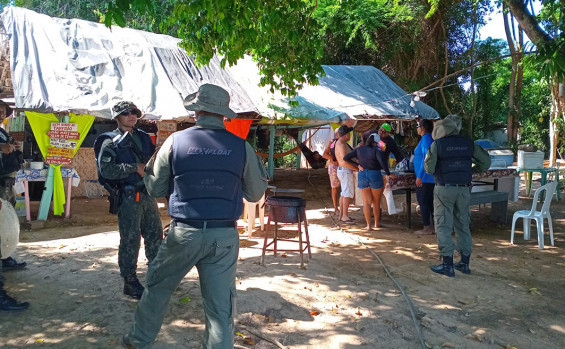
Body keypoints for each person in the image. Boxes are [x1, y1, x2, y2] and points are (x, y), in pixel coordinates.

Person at [122, 84, 267, 349]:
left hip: (183, 233)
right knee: (220, 308)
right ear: (223, 114)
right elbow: (256, 193)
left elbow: (154, 188)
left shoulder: (175, 142)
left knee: (157, 289)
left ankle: (137, 342)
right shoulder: (241, 146)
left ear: (196, 111)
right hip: (223, 236)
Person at [95, 101, 163, 299]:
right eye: (126, 113)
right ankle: (130, 281)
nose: (131, 116)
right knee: (131, 240)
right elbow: (105, 171)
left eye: (134, 112)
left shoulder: (142, 137)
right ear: (117, 117)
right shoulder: (108, 140)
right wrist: (134, 167)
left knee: (155, 236)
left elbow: (152, 162)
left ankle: (156, 276)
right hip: (128, 196)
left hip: (147, 193)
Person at [424, 116, 490, 277]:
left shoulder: (437, 144)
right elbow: (486, 163)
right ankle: (464, 263)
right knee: (462, 224)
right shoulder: (468, 144)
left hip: (444, 189)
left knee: (443, 225)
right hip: (463, 189)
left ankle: (447, 265)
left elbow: (429, 168)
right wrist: (470, 172)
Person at [0, 102, 29, 312]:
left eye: (3, 112)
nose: (1, 114)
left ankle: (5, 258)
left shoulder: (2, 133)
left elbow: (17, 158)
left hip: (6, 186)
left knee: (4, 232)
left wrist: (11, 152)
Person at [344, 131, 393, 231]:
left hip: (362, 175)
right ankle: (376, 224)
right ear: (376, 141)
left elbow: (346, 158)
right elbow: (382, 162)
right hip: (375, 174)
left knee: (366, 202)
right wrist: (388, 173)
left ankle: (368, 226)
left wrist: (357, 165)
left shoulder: (360, 149)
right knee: (376, 202)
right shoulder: (377, 150)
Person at [414, 119, 435, 235]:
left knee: (423, 201)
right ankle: (433, 226)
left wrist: (420, 176)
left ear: (422, 128)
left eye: (418, 126)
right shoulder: (427, 139)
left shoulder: (426, 139)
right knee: (429, 201)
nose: (417, 128)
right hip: (428, 177)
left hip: (425, 177)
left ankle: (427, 226)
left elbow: (426, 159)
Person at [334, 125, 358, 224]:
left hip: (343, 170)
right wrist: (356, 168)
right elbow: (345, 161)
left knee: (344, 193)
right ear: (346, 134)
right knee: (347, 193)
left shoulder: (341, 143)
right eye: (349, 133)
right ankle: (344, 215)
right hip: (345, 170)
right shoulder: (341, 144)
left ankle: (342, 215)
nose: (349, 135)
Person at [322, 129, 341, 214]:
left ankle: (342, 208)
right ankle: (336, 208)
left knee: (343, 189)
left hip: (342, 167)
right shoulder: (332, 143)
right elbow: (324, 154)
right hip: (334, 167)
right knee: (334, 188)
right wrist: (333, 160)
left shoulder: (344, 143)